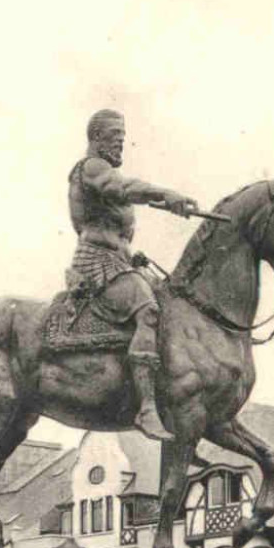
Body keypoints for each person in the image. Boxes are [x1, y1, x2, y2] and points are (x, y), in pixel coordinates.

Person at [67, 109, 197, 441]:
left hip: (119, 260)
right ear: (96, 138)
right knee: (147, 309)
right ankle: (147, 409)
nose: (120, 143)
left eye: (123, 138)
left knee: (171, 305)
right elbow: (122, 188)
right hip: (96, 262)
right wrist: (165, 195)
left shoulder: (103, 170)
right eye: (114, 137)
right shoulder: (93, 168)